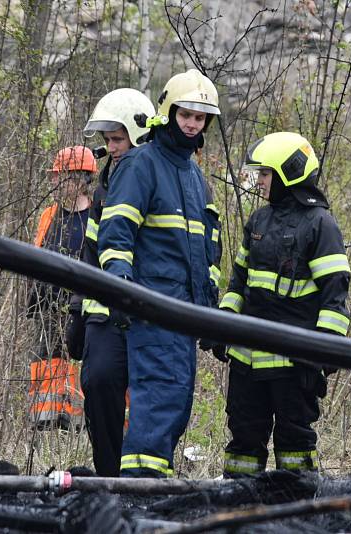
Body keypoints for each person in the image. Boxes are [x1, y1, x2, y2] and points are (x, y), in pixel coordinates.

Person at [97, 69, 221, 478]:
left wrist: (210, 313)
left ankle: (153, 480)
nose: (192, 124)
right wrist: (121, 286)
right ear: (168, 112)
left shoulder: (193, 175)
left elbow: (206, 252)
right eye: (186, 114)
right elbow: (117, 232)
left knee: (176, 398)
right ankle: (141, 490)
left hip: (184, 312)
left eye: (200, 118)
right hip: (152, 304)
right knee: (158, 396)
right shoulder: (142, 164)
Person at [214, 132, 350, 477]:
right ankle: (238, 512)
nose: (259, 181)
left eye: (265, 173)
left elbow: (335, 296)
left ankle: (298, 513)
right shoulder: (258, 221)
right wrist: (222, 323)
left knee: (295, 445)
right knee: (243, 443)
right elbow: (238, 283)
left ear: (288, 173)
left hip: (294, 362)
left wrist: (322, 350)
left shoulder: (321, 225)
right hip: (247, 361)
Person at [68, 88, 156, 477]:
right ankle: (109, 477)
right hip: (103, 317)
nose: (112, 147)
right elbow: (89, 256)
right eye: (107, 140)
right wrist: (76, 312)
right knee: (99, 384)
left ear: (139, 135)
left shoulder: (162, 181)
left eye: (117, 139)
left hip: (149, 315)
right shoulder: (103, 190)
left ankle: (144, 480)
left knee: (150, 400)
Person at [27, 146, 96, 430]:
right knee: (45, 371)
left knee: (79, 373)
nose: (54, 182)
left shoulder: (97, 217)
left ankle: (75, 429)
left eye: (60, 176)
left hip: (81, 312)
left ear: (81, 179)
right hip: (48, 312)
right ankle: (44, 428)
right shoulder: (48, 215)